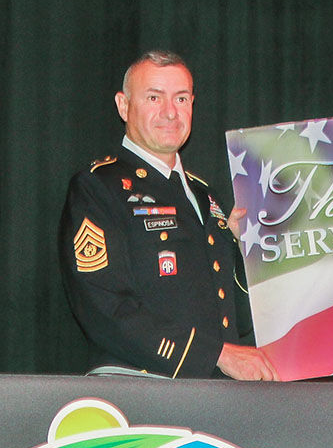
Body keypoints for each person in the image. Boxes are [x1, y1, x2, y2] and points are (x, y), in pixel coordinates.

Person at [59, 50, 280, 381]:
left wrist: (247, 250)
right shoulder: (98, 187)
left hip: (217, 393)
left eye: (181, 99)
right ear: (123, 105)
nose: (170, 112)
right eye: (153, 97)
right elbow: (102, 307)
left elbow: (239, 320)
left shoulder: (206, 196)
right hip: (142, 387)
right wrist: (213, 355)